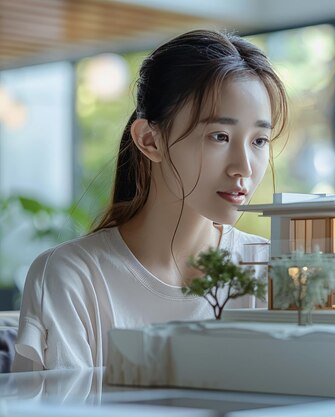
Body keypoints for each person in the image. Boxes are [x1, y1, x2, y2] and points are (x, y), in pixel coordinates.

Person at [12, 30, 288, 371]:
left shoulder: (272, 271)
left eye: (259, 141)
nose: (244, 167)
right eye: (220, 136)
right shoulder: (73, 276)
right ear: (149, 140)